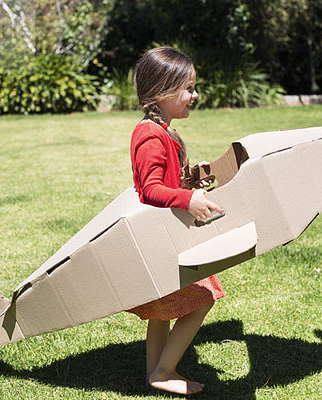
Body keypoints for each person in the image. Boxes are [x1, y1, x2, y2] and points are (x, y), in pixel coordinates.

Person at [127, 46, 225, 395]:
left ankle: (156, 370)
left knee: (160, 309)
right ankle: (164, 371)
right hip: (163, 239)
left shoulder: (159, 130)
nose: (194, 95)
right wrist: (188, 199)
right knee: (204, 296)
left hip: (161, 236)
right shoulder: (150, 136)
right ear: (163, 92)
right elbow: (150, 190)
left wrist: (187, 184)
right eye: (189, 88)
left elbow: (162, 183)